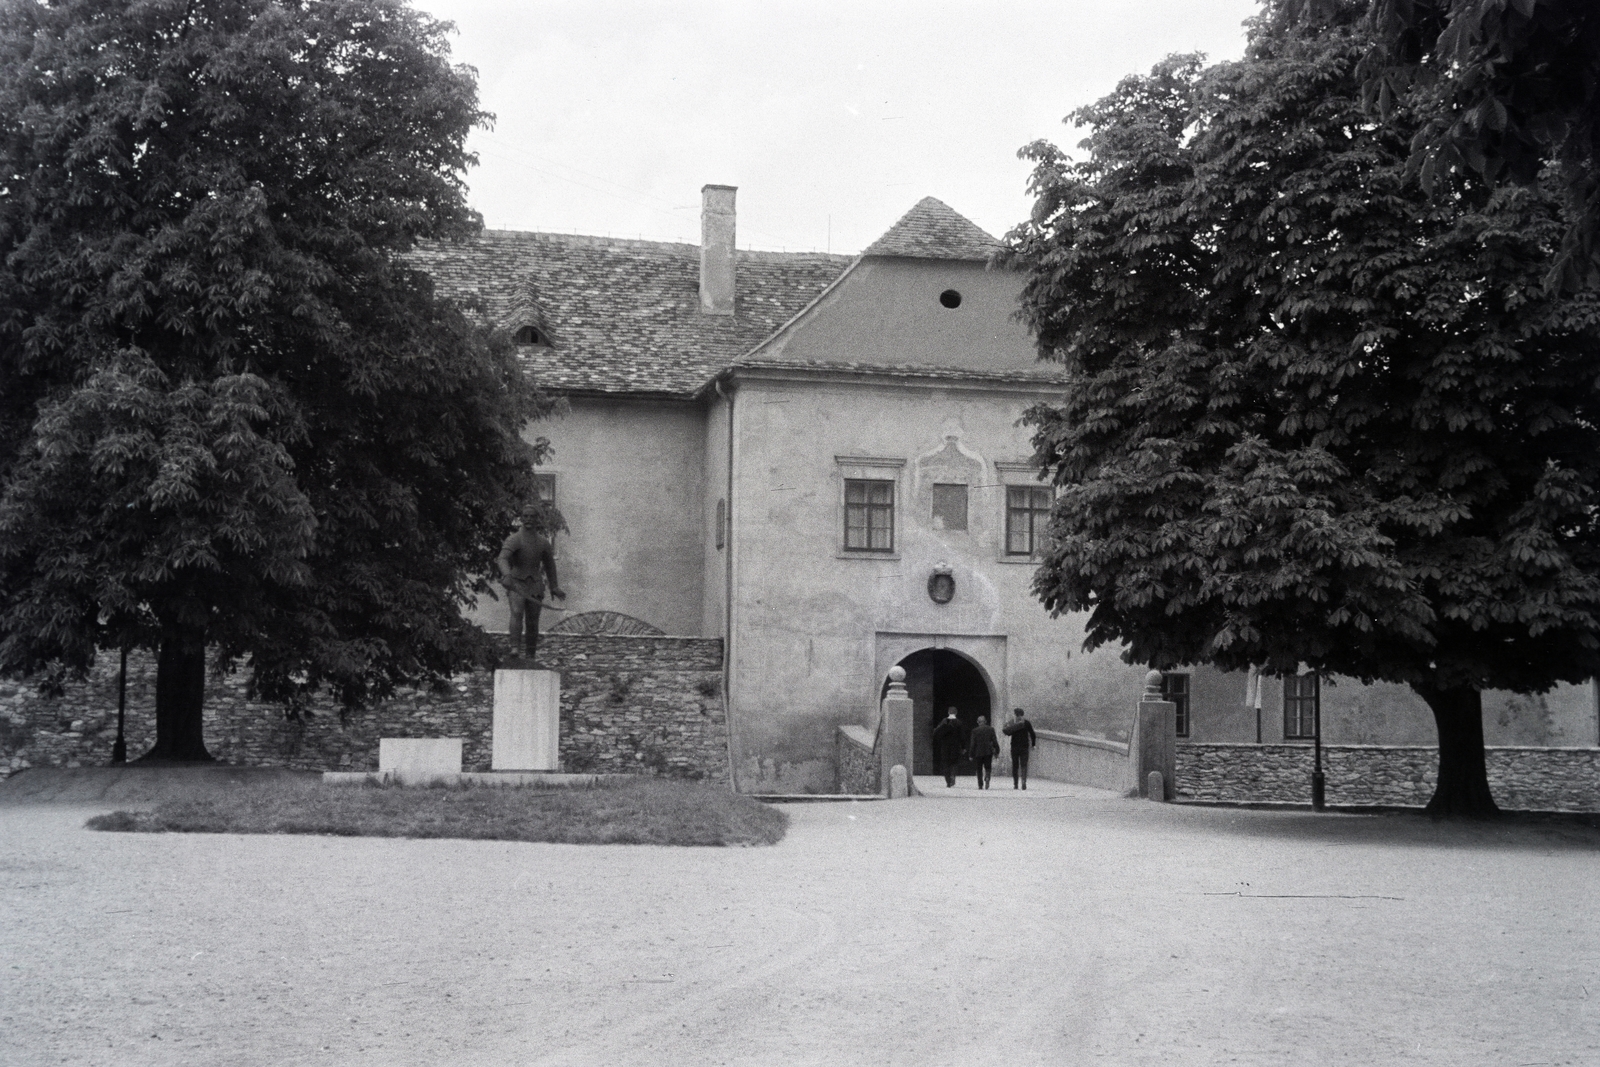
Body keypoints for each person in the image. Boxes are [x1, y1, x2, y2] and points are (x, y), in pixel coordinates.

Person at [496, 503, 566, 662]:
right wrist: (506, 574)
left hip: (535, 584)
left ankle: (530, 654)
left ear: (537, 520)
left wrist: (554, 586)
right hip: (516, 583)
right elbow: (502, 558)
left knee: (533, 620)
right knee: (517, 612)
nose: (528, 519)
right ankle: (514, 647)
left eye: (532, 516)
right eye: (525, 516)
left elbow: (550, 565)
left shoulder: (543, 542)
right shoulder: (514, 539)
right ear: (521, 518)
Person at [1003, 707, 1038, 789]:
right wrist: (1033, 744)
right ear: (1022, 714)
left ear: (1015, 714)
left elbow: (1008, 733)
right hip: (1024, 747)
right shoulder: (1026, 723)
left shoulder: (1013, 723)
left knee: (1015, 765)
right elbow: (1032, 734)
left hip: (1014, 747)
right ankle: (1023, 781)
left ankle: (1015, 784)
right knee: (1024, 765)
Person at [930, 708, 964, 788]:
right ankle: (952, 775)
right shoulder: (959, 723)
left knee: (945, 763)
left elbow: (937, 733)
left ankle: (948, 781)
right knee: (954, 762)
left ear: (948, 712)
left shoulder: (944, 721)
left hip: (945, 746)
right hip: (955, 746)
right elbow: (962, 736)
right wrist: (963, 747)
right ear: (956, 712)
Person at [967, 714, 999, 789]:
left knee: (979, 769)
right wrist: (997, 750)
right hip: (988, 752)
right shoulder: (991, 729)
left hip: (978, 752)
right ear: (986, 721)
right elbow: (994, 741)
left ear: (978, 722)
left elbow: (973, 744)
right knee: (988, 767)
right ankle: (987, 777)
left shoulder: (975, 731)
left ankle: (980, 785)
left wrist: (971, 754)